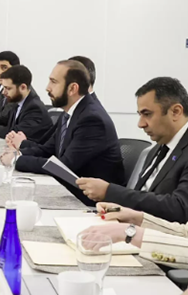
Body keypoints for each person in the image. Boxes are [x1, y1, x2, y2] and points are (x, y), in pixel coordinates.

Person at [76, 77, 188, 223]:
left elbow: (183, 209)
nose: (140, 124)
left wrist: (109, 192)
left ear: (176, 112)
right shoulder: (159, 147)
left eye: (147, 114)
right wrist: (117, 209)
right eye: (140, 115)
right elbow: (142, 196)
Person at [12, 60, 125, 204]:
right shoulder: (69, 114)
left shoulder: (92, 119)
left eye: (53, 82)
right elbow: (47, 150)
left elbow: (63, 166)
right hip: (71, 192)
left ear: (72, 88)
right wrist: (17, 154)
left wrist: (17, 160)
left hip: (91, 203)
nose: (47, 88)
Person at [0, 65, 52, 142]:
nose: (3, 92)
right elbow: (3, 120)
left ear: (23, 87)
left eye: (8, 88)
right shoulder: (17, 102)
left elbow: (16, 133)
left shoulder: (35, 108)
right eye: (3, 88)